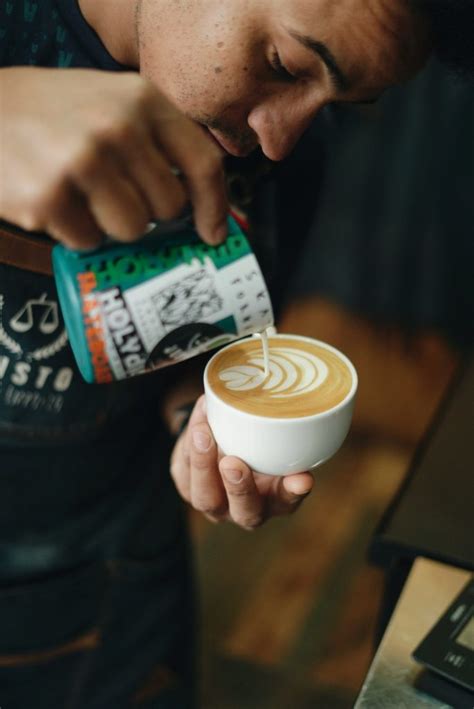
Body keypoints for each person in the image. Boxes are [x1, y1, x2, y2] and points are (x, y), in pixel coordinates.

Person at [0, 1, 472, 707]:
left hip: (111, 595)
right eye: (283, 63)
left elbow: (206, 330)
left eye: (344, 102)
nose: (281, 137)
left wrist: (208, 421)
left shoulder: (287, 146)